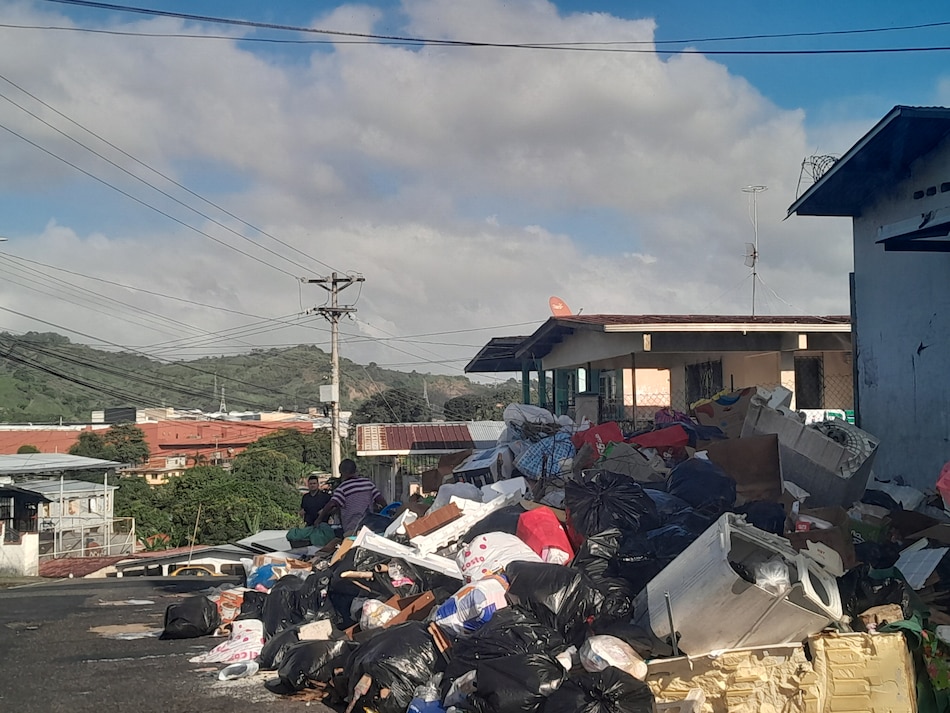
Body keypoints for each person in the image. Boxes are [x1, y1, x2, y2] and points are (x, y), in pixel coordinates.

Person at [315, 458, 386, 535]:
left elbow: (331, 504)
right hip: (370, 528)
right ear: (355, 470)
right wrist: (388, 511)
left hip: (352, 529)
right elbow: (380, 499)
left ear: (342, 473)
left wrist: (319, 519)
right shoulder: (368, 483)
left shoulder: (342, 488)